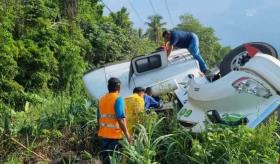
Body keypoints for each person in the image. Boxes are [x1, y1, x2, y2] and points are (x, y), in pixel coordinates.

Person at [97, 77, 131, 164]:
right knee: (114, 160)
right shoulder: (118, 99)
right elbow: (120, 119)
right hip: (115, 136)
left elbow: (98, 118)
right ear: (118, 87)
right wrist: (127, 135)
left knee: (106, 160)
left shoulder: (101, 99)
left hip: (103, 135)